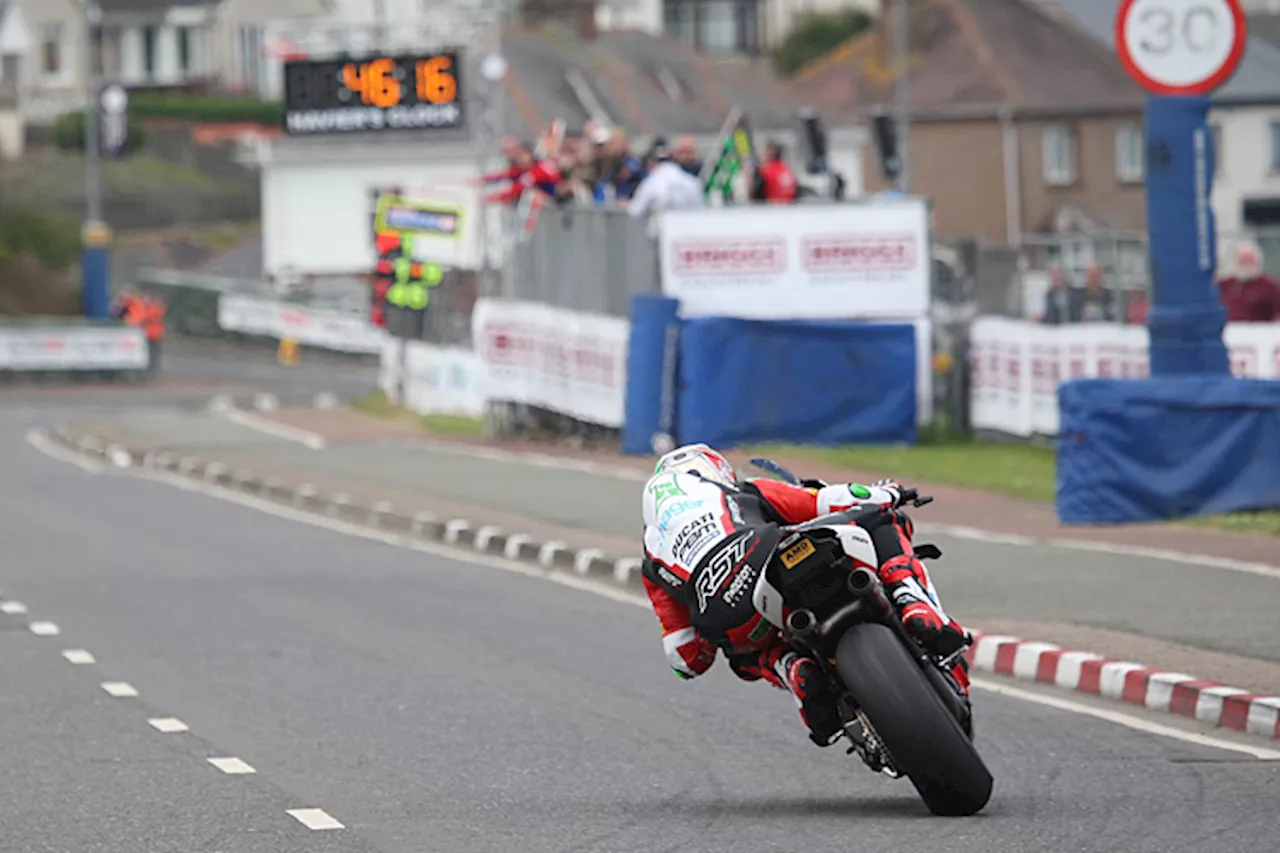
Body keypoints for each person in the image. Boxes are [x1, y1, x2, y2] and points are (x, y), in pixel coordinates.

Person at [640, 444, 970, 747]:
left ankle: (791, 667)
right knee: (883, 519)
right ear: (714, 473)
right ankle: (914, 605)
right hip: (765, 552)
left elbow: (686, 659)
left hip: (729, 615)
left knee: (742, 655)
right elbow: (827, 500)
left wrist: (708, 625)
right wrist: (887, 492)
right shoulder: (742, 490)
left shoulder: (653, 560)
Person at [628, 142, 703, 222]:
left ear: (652, 163)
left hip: (662, 231)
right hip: (688, 230)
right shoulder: (691, 181)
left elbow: (635, 211)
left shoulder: (651, 182)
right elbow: (700, 210)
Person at [1218, 241, 1280, 322]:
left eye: (1249, 260)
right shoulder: (1226, 284)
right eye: (1242, 260)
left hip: (1258, 331)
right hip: (1230, 330)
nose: (1246, 264)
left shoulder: (1270, 286)